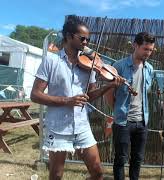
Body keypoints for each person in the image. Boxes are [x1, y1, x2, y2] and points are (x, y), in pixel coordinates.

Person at [31, 15, 123, 180]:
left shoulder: (89, 64)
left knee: (97, 173)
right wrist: (68, 100)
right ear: (68, 36)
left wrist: (108, 86)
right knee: (56, 174)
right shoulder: (51, 61)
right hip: (58, 126)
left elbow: (90, 96)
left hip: (81, 125)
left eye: (88, 39)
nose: (86, 43)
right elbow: (35, 95)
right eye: (82, 38)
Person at [104, 32, 155, 180]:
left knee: (137, 159)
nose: (148, 53)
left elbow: (145, 93)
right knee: (120, 159)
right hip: (123, 121)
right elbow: (108, 92)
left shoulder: (149, 69)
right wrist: (117, 110)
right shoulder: (119, 66)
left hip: (142, 121)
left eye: (151, 50)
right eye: (145, 49)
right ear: (135, 45)